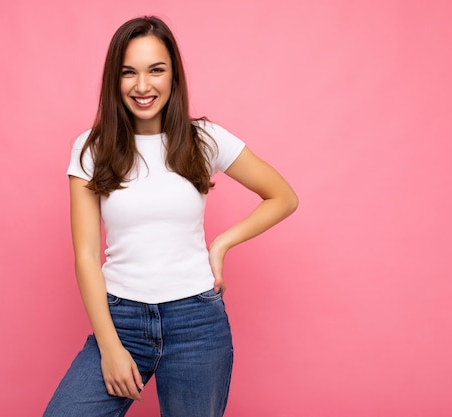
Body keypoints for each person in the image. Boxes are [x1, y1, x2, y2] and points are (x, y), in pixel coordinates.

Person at [43, 16, 298, 417]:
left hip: (197, 323)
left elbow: (283, 196)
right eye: (129, 73)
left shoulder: (204, 139)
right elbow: (87, 257)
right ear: (115, 80)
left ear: (174, 76)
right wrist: (110, 348)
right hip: (121, 320)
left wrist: (221, 243)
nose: (143, 86)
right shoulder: (90, 148)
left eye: (156, 70)